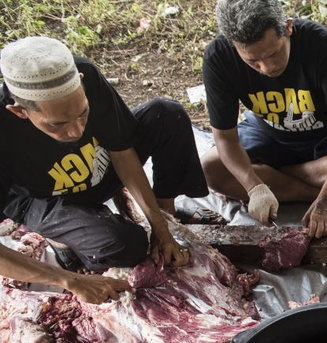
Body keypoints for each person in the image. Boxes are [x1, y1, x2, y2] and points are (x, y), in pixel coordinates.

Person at [0, 36, 203, 304]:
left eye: (82, 113)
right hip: (48, 197)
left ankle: (167, 216)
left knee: (167, 114)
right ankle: (65, 240)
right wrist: (70, 280)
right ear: (20, 112)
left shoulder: (87, 75)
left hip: (95, 166)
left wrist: (160, 224)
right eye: (57, 125)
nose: (76, 131)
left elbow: (120, 150)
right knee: (125, 245)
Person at [201, 0, 327, 238]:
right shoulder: (219, 57)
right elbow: (225, 139)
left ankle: (282, 177)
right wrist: (254, 187)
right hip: (268, 131)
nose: (266, 68)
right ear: (233, 45)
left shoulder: (320, 43)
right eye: (252, 62)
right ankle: (310, 191)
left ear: (288, 28)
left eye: (273, 54)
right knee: (210, 170)